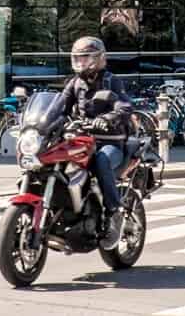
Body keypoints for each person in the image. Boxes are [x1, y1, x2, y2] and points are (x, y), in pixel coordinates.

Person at [55, 35, 132, 249]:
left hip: (110, 143)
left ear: (98, 58)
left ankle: (114, 212)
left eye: (86, 57)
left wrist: (107, 118)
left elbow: (125, 106)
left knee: (100, 161)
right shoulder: (74, 83)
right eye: (78, 58)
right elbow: (59, 108)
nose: (81, 62)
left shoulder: (111, 81)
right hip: (81, 141)